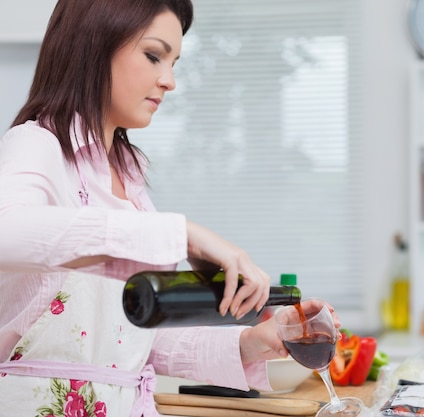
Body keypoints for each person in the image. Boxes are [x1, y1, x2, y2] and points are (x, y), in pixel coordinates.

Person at [0, 1, 340, 416]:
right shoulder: (37, 144)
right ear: (92, 45)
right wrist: (183, 234)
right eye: (153, 55)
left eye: (174, 62)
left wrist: (255, 341)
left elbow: (138, 340)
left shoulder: (129, 177)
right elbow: (7, 231)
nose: (169, 81)